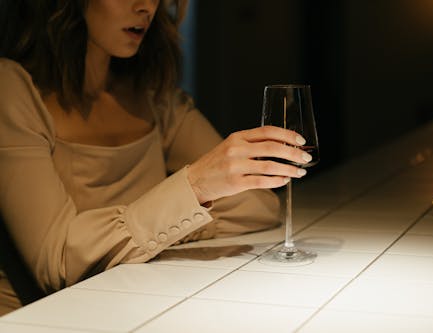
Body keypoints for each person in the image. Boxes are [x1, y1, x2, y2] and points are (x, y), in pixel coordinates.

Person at [0, 0, 312, 315]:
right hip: (41, 316)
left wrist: (149, 234)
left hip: (133, 301)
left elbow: (259, 207)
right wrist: (191, 190)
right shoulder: (12, 88)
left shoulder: (154, 97)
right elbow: (59, 264)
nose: (146, 6)